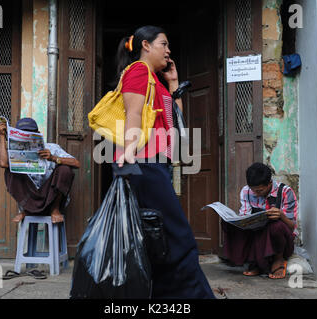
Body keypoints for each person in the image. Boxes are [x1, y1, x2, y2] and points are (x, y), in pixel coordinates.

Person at [114, 25, 215, 299]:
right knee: (179, 239)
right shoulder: (138, 71)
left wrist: (173, 85)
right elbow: (133, 114)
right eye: (164, 44)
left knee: (158, 241)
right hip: (143, 164)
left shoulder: (154, 81)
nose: (168, 51)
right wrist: (129, 151)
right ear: (146, 45)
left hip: (155, 164)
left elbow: (176, 126)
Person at [221, 162, 298, 279]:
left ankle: (279, 260)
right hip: (257, 234)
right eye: (254, 191)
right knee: (229, 224)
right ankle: (254, 260)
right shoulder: (246, 191)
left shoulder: (285, 192)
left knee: (276, 226)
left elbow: (291, 227)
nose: (256, 194)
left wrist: (281, 215)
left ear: (270, 184)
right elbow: (245, 215)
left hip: (281, 240)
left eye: (260, 190)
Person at [0, 118, 80, 224]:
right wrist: (2, 136)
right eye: (23, 134)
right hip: (30, 199)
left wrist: (53, 158)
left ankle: (55, 209)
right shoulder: (16, 152)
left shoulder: (52, 148)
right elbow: (3, 163)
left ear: (38, 134)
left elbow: (77, 163)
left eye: (30, 133)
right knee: (9, 172)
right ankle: (27, 210)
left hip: (50, 198)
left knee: (65, 169)